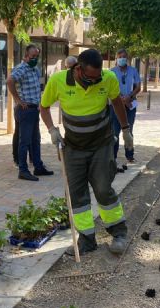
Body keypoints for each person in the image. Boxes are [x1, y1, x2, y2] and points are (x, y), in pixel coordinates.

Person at [40, 49, 132, 255]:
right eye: (90, 77)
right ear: (79, 69)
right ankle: (87, 239)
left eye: (97, 77)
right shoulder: (58, 81)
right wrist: (52, 130)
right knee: (76, 194)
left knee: (102, 187)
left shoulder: (107, 78)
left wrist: (126, 130)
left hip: (102, 144)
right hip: (73, 147)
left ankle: (118, 232)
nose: (95, 81)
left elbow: (117, 101)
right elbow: (44, 107)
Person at [7, 44, 53, 181]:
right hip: (25, 110)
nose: (35, 59)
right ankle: (23, 170)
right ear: (26, 56)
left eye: (37, 56)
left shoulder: (35, 69)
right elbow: (10, 80)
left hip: (34, 109)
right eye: (33, 56)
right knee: (25, 141)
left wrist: (40, 103)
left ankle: (38, 167)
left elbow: (36, 88)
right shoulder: (22, 68)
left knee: (35, 140)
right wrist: (17, 99)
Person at [110, 49, 140, 167]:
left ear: (127, 59)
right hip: (115, 106)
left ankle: (130, 155)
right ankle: (113, 157)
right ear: (116, 59)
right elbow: (110, 88)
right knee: (114, 132)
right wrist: (121, 98)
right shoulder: (111, 72)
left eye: (124, 57)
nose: (122, 58)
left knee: (129, 131)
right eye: (120, 56)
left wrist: (130, 96)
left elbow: (138, 86)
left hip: (130, 105)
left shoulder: (133, 71)